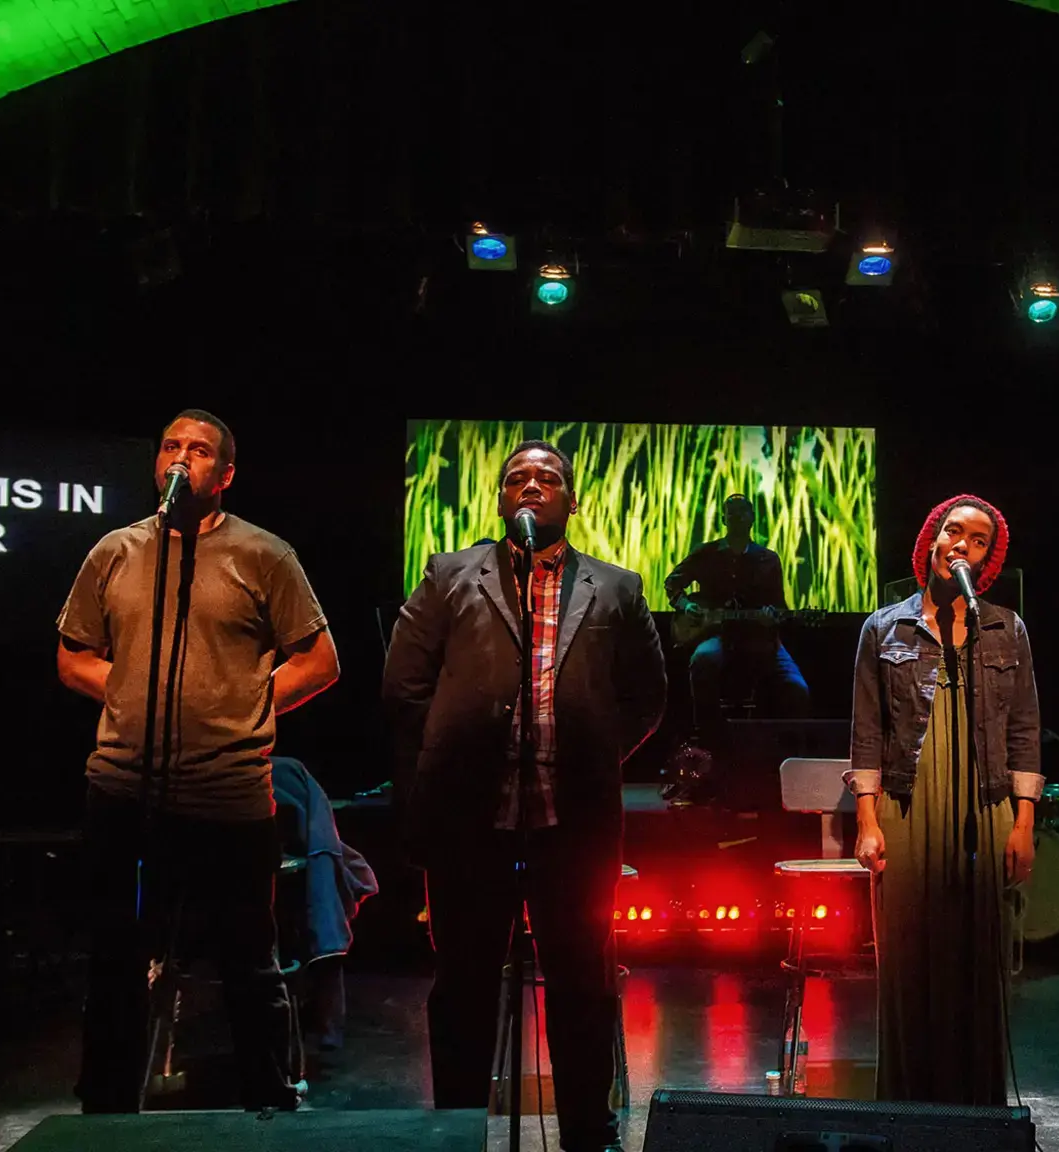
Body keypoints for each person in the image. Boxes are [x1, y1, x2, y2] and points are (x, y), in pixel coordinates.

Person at [382, 439, 665, 1152]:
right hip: (470, 823)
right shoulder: (450, 576)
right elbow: (403, 686)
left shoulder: (618, 587)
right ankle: (455, 1134)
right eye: (517, 478)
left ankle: (586, 1136)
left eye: (547, 478)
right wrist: (455, 753)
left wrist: (591, 748)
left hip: (572, 825)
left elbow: (649, 696)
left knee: (583, 989)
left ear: (572, 501)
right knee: (464, 990)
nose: (531, 486)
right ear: (501, 498)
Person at [56, 409, 341, 1113]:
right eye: (171, 445)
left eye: (200, 449)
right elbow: (73, 653)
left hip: (228, 793)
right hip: (123, 787)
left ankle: (268, 1104)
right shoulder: (116, 550)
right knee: (115, 959)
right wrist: (127, 694)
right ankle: (106, 1113)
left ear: (226, 474)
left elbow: (321, 660)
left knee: (249, 963)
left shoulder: (263, 555)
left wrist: (248, 701)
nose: (182, 457)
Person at [848, 494, 1043, 1105]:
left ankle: (978, 1110)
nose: (964, 544)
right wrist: (867, 822)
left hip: (985, 803)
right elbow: (867, 732)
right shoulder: (884, 628)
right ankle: (906, 1108)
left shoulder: (1004, 628)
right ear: (931, 541)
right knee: (907, 962)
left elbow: (1024, 730)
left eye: (979, 540)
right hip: (906, 803)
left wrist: (1023, 823)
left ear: (989, 559)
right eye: (953, 532)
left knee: (979, 961)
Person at [664, 494, 812, 735]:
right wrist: (685, 605)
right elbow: (673, 583)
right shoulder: (706, 553)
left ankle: (780, 749)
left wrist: (772, 616)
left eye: (742, 512)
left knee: (797, 688)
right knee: (703, 660)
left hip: (760, 638)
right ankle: (708, 736)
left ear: (752, 518)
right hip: (716, 635)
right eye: (731, 513)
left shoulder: (768, 559)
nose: (737, 518)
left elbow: (779, 606)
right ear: (724, 519)